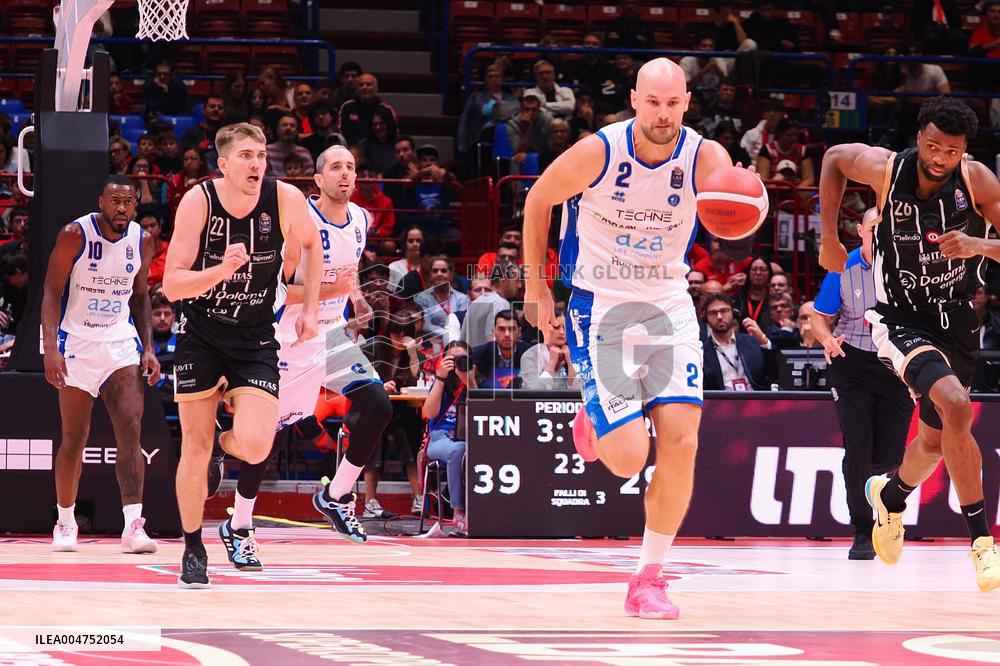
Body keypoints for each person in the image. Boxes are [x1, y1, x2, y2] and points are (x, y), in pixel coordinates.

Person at [523, 57, 752, 619]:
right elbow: (537, 201)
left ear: (687, 103)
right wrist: (537, 288)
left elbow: (738, 208)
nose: (663, 113)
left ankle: (648, 578)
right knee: (628, 458)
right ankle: (597, 416)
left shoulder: (705, 157)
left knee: (682, 442)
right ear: (634, 99)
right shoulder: (599, 151)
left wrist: (748, 202)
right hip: (600, 304)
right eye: (653, 102)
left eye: (673, 103)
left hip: (669, 304)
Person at [818, 96, 1000, 590]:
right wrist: (829, 237)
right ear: (919, 137)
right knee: (958, 406)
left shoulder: (977, 180)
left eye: (952, 150)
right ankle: (982, 542)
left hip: (958, 323)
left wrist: (980, 245)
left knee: (935, 441)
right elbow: (834, 157)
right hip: (899, 319)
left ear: (965, 151)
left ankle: (891, 497)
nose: (941, 158)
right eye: (934, 146)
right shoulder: (885, 169)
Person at [161, 123, 322, 588]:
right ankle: (193, 548)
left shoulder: (285, 198)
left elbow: (311, 246)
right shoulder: (199, 202)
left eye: (262, 154)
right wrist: (222, 269)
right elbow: (172, 285)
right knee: (193, 448)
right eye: (247, 156)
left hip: (254, 335)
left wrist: (309, 310)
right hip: (202, 332)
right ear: (224, 164)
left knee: (254, 444)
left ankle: (221, 446)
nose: (257, 163)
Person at [265, 145, 393, 553]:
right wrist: (332, 291)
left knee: (377, 405)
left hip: (332, 336)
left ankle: (336, 497)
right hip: (289, 336)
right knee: (266, 433)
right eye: (335, 167)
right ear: (318, 179)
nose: (345, 174)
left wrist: (354, 299)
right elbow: (277, 293)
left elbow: (348, 274)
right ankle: (222, 461)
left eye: (351, 167)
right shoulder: (298, 219)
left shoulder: (360, 219)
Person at [40, 176, 161, 553]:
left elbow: (141, 296)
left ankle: (134, 526)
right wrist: (50, 348)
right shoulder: (75, 234)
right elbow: (51, 292)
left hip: (119, 344)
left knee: (131, 430)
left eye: (128, 202)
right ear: (101, 203)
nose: (121, 208)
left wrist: (148, 348)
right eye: (115, 201)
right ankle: (64, 521)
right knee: (74, 438)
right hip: (76, 343)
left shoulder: (142, 240)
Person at [812, 209, 914, 559]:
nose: (881, 233)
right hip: (850, 363)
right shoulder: (843, 267)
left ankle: (871, 490)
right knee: (857, 446)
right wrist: (825, 338)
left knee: (890, 455)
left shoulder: (906, 267)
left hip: (895, 365)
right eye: (874, 228)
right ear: (861, 231)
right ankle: (862, 531)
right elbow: (818, 316)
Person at [422, 340, 477, 534]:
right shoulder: (441, 383)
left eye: (462, 358)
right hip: (440, 438)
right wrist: (440, 378)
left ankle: (480, 511)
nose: (456, 363)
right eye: (452, 359)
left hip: (470, 438)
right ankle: (458, 510)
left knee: (471, 449)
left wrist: (468, 379)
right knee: (458, 450)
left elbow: (483, 411)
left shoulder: (476, 381)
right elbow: (428, 414)